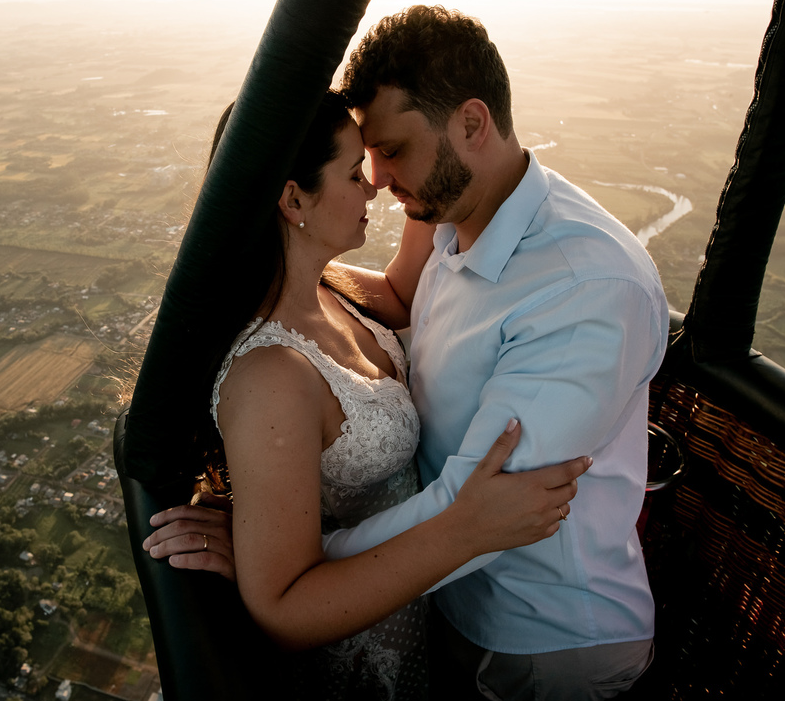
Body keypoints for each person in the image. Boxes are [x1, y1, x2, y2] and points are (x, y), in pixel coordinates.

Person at [141, 90, 592, 700]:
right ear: (293, 198)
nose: (373, 187)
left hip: (412, 622)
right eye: (355, 173)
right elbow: (285, 611)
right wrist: (468, 529)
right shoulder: (271, 375)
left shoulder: (327, 287)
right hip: (359, 668)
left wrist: (425, 175)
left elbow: (403, 295)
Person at [319, 5, 669, 700]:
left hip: (548, 642)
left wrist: (308, 562)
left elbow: (480, 513)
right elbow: (398, 293)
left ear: (472, 124)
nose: (380, 177)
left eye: (393, 149)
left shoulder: (581, 287)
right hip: (449, 600)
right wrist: (286, 279)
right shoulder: (455, 212)